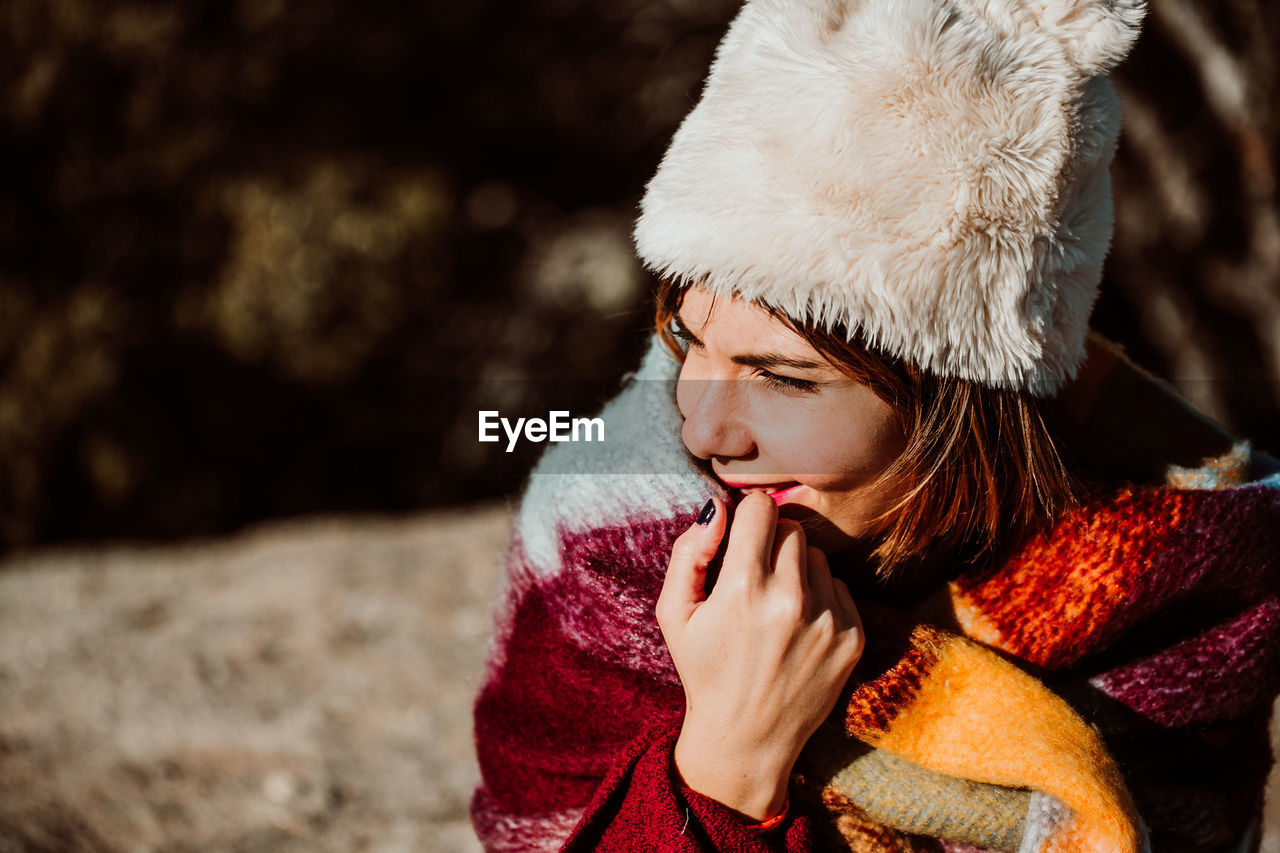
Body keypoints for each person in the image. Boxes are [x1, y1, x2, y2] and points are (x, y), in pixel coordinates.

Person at [471, 0, 1280, 851]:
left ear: (963, 403)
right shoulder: (607, 551)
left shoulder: (1190, 588)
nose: (703, 431)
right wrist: (727, 764)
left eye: (783, 378)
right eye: (689, 340)